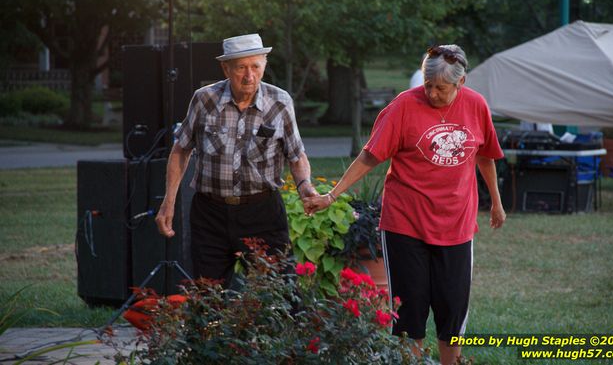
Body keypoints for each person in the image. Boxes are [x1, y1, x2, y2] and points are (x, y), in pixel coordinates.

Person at [304, 45, 506, 365]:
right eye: (428, 86)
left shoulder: (476, 106)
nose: (433, 93)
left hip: (456, 224)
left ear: (461, 82)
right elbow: (370, 155)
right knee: (409, 312)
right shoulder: (403, 107)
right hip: (405, 223)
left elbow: (485, 155)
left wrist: (496, 202)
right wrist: (332, 194)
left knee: (452, 310)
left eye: (441, 88)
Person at [155, 33, 318, 286]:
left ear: (264, 65)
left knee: (281, 293)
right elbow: (181, 150)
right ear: (225, 68)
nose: (249, 75)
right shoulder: (204, 99)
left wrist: (305, 186)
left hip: (262, 212)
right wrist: (169, 202)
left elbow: (296, 156)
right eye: (241, 67)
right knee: (208, 297)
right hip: (210, 212)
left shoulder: (280, 101)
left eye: (255, 66)